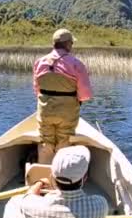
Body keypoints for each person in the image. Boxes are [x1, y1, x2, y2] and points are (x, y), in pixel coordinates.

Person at [14, 146, 108, 218]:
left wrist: (39, 183)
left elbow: (29, 196)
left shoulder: (31, 205)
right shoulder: (100, 204)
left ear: (52, 176)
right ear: (85, 178)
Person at [33, 29, 92, 164]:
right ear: (68, 44)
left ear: (54, 43)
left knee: (45, 141)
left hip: (45, 109)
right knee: (64, 141)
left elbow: (37, 90)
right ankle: (61, 175)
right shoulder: (77, 64)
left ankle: (43, 174)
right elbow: (85, 95)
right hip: (67, 111)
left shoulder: (39, 62)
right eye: (71, 43)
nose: (72, 45)